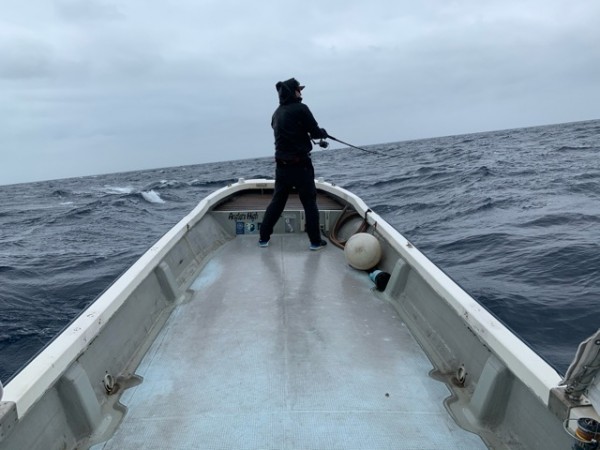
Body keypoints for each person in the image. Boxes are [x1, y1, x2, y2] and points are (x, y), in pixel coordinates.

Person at [259, 78, 329, 251]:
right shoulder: (301, 108)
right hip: (301, 166)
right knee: (309, 202)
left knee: (277, 202)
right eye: (299, 89)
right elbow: (315, 132)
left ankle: (263, 238)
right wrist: (323, 133)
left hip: (282, 167)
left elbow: (287, 131)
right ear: (293, 92)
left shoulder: (276, 114)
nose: (301, 92)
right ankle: (315, 242)